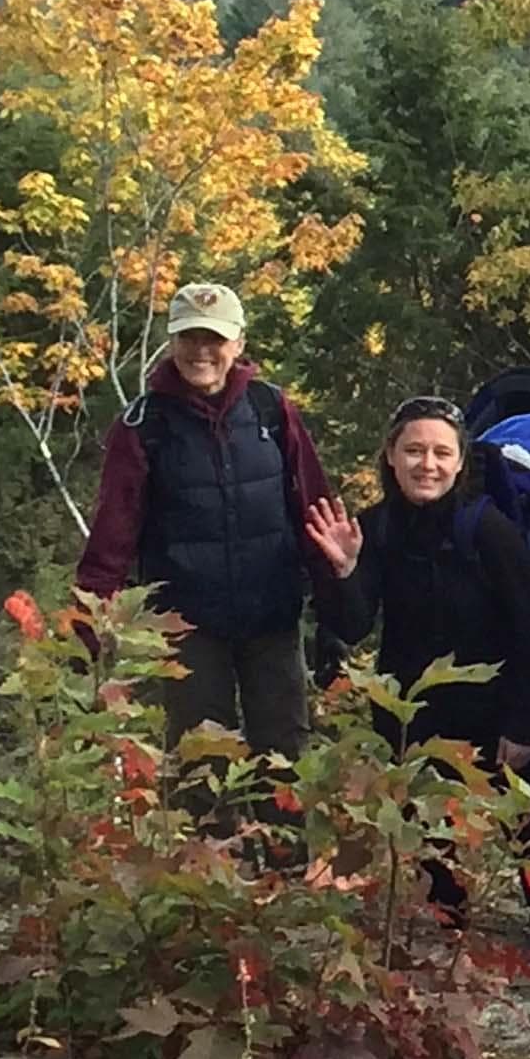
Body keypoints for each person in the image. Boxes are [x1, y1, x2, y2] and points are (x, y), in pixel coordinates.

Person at [304, 396, 530, 957]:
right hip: (411, 710)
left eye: (441, 452)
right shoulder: (374, 527)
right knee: (424, 832)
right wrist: (345, 571)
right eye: (414, 451)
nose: (428, 464)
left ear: (461, 461)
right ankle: (451, 939)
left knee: (524, 828)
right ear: (390, 458)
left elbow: (527, 632)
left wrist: (525, 724)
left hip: (497, 710)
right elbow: (352, 625)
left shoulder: (489, 530)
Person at [76, 281, 337, 757]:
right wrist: (89, 630)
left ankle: (280, 836)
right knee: (200, 764)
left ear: (238, 343)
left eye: (213, 339)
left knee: (285, 760)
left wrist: (335, 603)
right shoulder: (143, 426)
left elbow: (315, 509)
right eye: (189, 337)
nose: (201, 351)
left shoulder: (271, 410)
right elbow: (112, 535)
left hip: (272, 618)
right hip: (188, 629)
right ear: (172, 341)